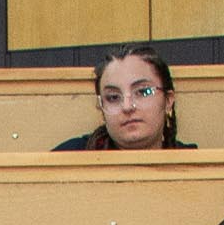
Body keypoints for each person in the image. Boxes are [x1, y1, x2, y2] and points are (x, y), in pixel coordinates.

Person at [57, 46, 185, 149]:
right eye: (113, 97)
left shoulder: (193, 166)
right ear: (101, 108)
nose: (127, 107)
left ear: (168, 100)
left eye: (143, 92)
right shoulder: (68, 159)